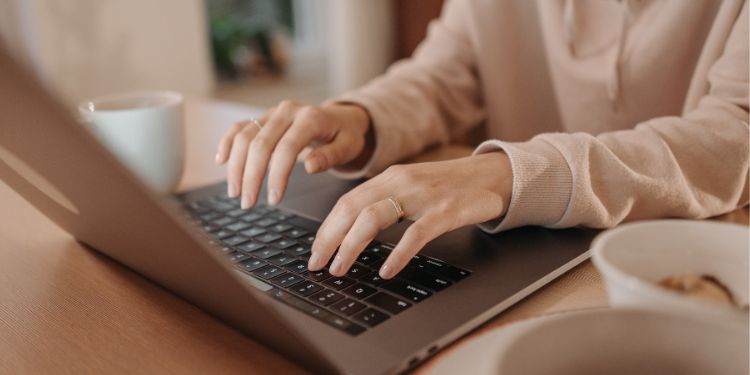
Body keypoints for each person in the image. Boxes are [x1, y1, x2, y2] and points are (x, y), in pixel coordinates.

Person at [214, 0, 749, 280]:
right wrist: (358, 116)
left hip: (695, 263)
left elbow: (733, 134)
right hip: (531, 254)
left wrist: (509, 175)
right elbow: (442, 73)